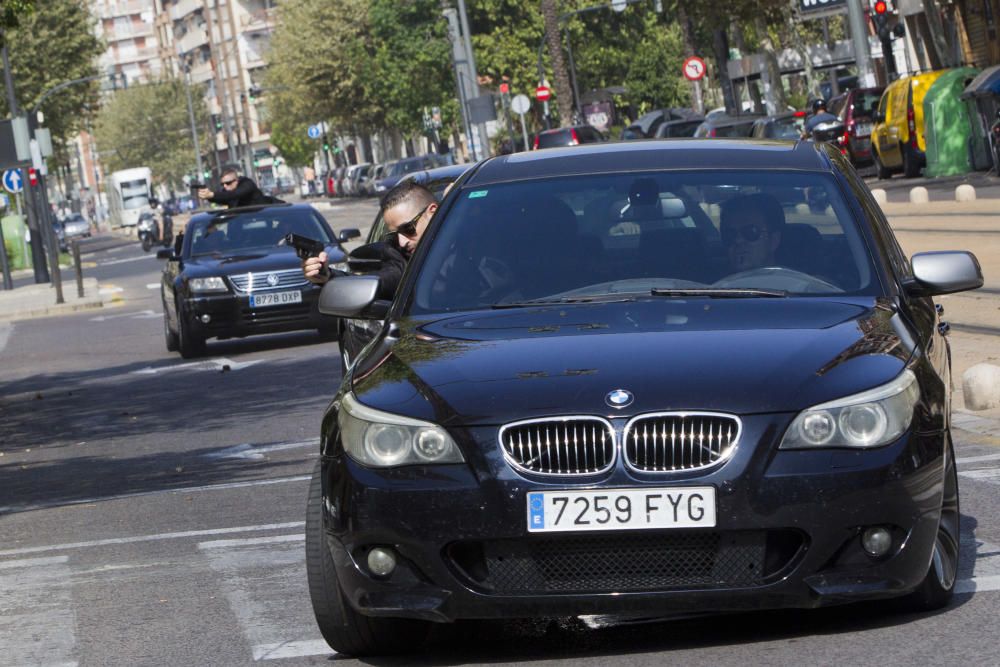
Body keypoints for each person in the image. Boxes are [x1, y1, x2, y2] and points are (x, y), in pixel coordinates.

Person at [303, 180, 438, 300]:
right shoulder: (398, 256)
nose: (402, 242)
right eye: (394, 235)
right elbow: (380, 281)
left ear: (432, 212)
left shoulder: (459, 244)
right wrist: (328, 277)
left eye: (408, 228)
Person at [719, 193, 784, 273]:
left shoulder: (797, 283)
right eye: (730, 234)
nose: (738, 240)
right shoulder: (710, 284)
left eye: (750, 232)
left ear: (774, 240)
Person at [197, 168, 274, 208]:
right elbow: (222, 197)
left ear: (236, 181)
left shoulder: (247, 184)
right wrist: (208, 196)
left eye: (228, 183)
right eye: (222, 184)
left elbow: (235, 194)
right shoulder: (227, 192)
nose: (225, 186)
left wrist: (212, 195)